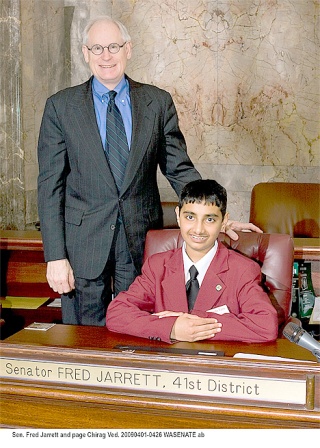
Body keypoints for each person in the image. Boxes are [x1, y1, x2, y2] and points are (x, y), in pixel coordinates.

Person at [37, 16, 261, 327]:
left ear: (128, 49)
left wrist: (218, 216)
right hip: (82, 246)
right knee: (83, 341)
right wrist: (55, 257)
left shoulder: (157, 102)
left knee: (139, 332)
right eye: (97, 48)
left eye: (113, 46)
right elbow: (50, 186)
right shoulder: (61, 107)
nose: (106, 56)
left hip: (141, 243)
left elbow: (179, 169)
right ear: (85, 53)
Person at [106, 179, 278, 343]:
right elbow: (116, 314)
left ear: (224, 221)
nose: (198, 228)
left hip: (216, 367)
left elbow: (266, 325)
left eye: (209, 219)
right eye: (190, 217)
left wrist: (191, 324)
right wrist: (172, 328)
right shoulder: (157, 266)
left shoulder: (242, 269)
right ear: (178, 216)